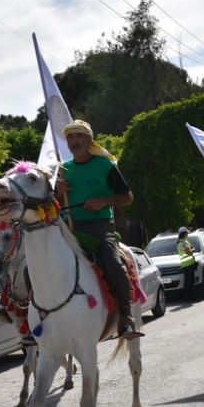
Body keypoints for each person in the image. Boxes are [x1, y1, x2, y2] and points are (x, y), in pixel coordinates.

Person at [54, 119, 143, 339]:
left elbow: (127, 197)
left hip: (99, 228)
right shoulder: (63, 170)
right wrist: (56, 190)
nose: (74, 142)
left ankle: (126, 316)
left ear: (89, 140)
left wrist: (102, 201)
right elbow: (53, 204)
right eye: (70, 138)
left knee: (114, 263)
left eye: (78, 136)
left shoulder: (105, 165)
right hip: (68, 229)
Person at [177, 227, 197, 302]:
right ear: (184, 233)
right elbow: (189, 252)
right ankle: (186, 298)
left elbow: (193, 248)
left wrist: (191, 250)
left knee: (192, 281)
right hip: (186, 265)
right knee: (187, 282)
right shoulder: (181, 243)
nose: (188, 234)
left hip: (191, 263)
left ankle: (193, 297)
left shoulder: (186, 242)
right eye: (187, 233)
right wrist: (191, 250)